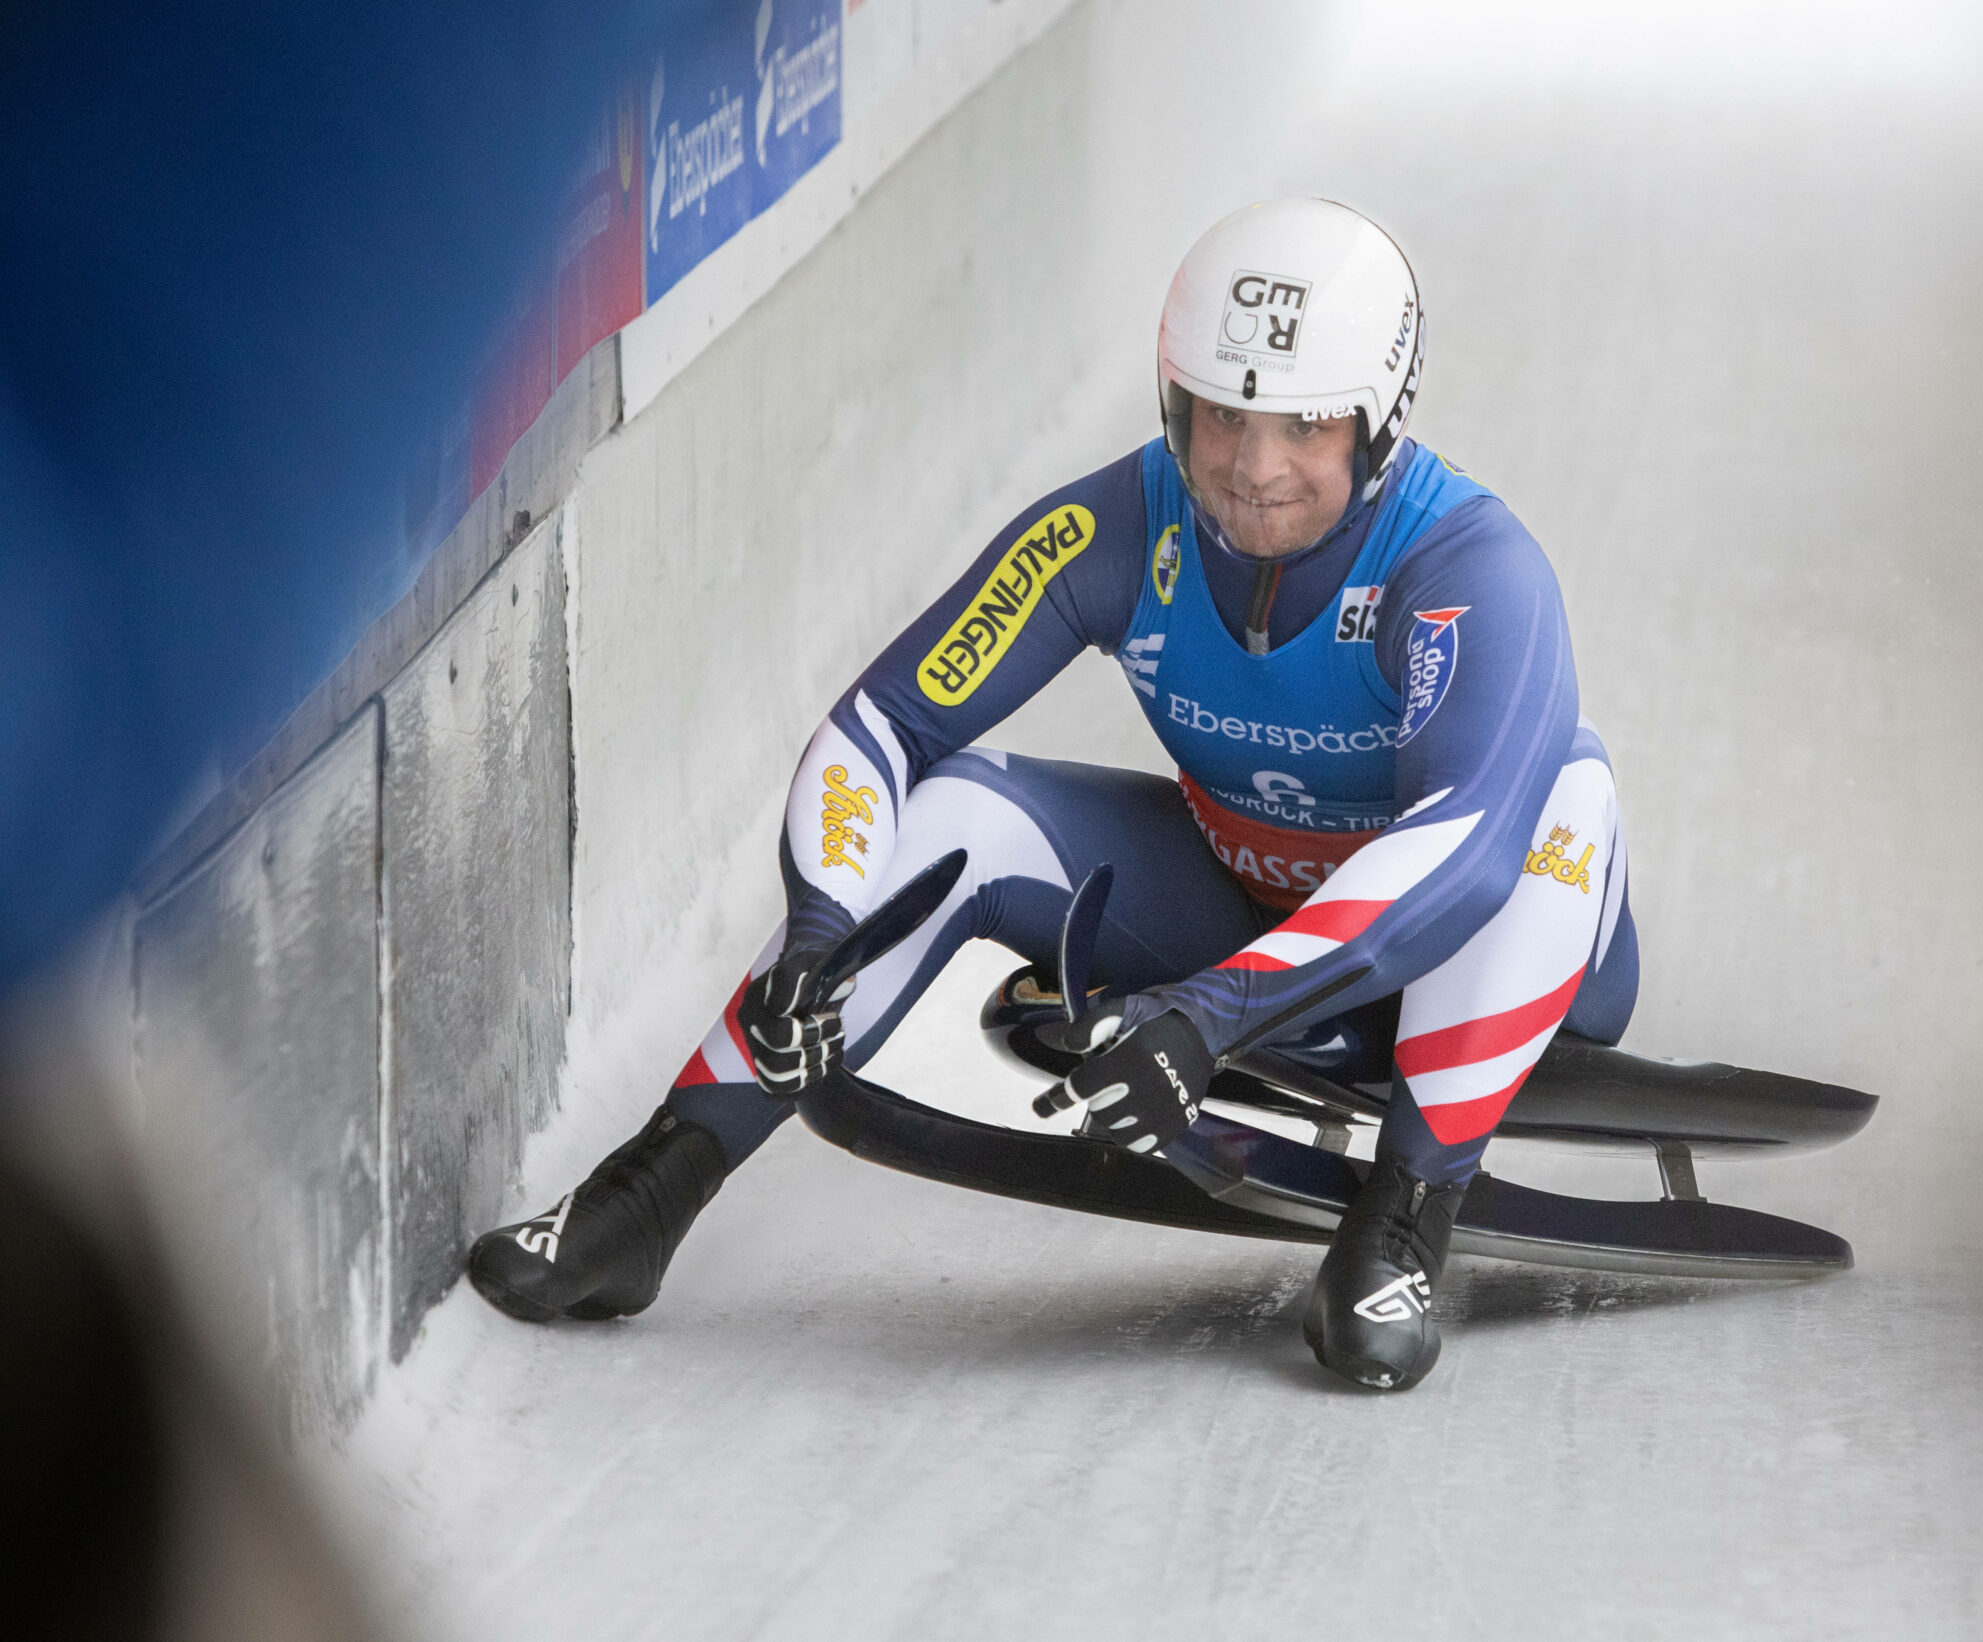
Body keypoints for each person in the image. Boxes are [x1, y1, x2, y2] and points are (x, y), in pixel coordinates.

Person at [468, 198, 1639, 1391]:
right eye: (1218, 415)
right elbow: (886, 721)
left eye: (1303, 426)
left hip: (1483, 944)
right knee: (954, 813)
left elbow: (1469, 851)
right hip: (1252, 898)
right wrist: (824, 925)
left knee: (1557, 798)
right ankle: (656, 1184)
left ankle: (1406, 1216)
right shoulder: (1126, 519)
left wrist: (1212, 1013)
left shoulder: (1469, 568)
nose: (1251, 468)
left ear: (1380, 425)